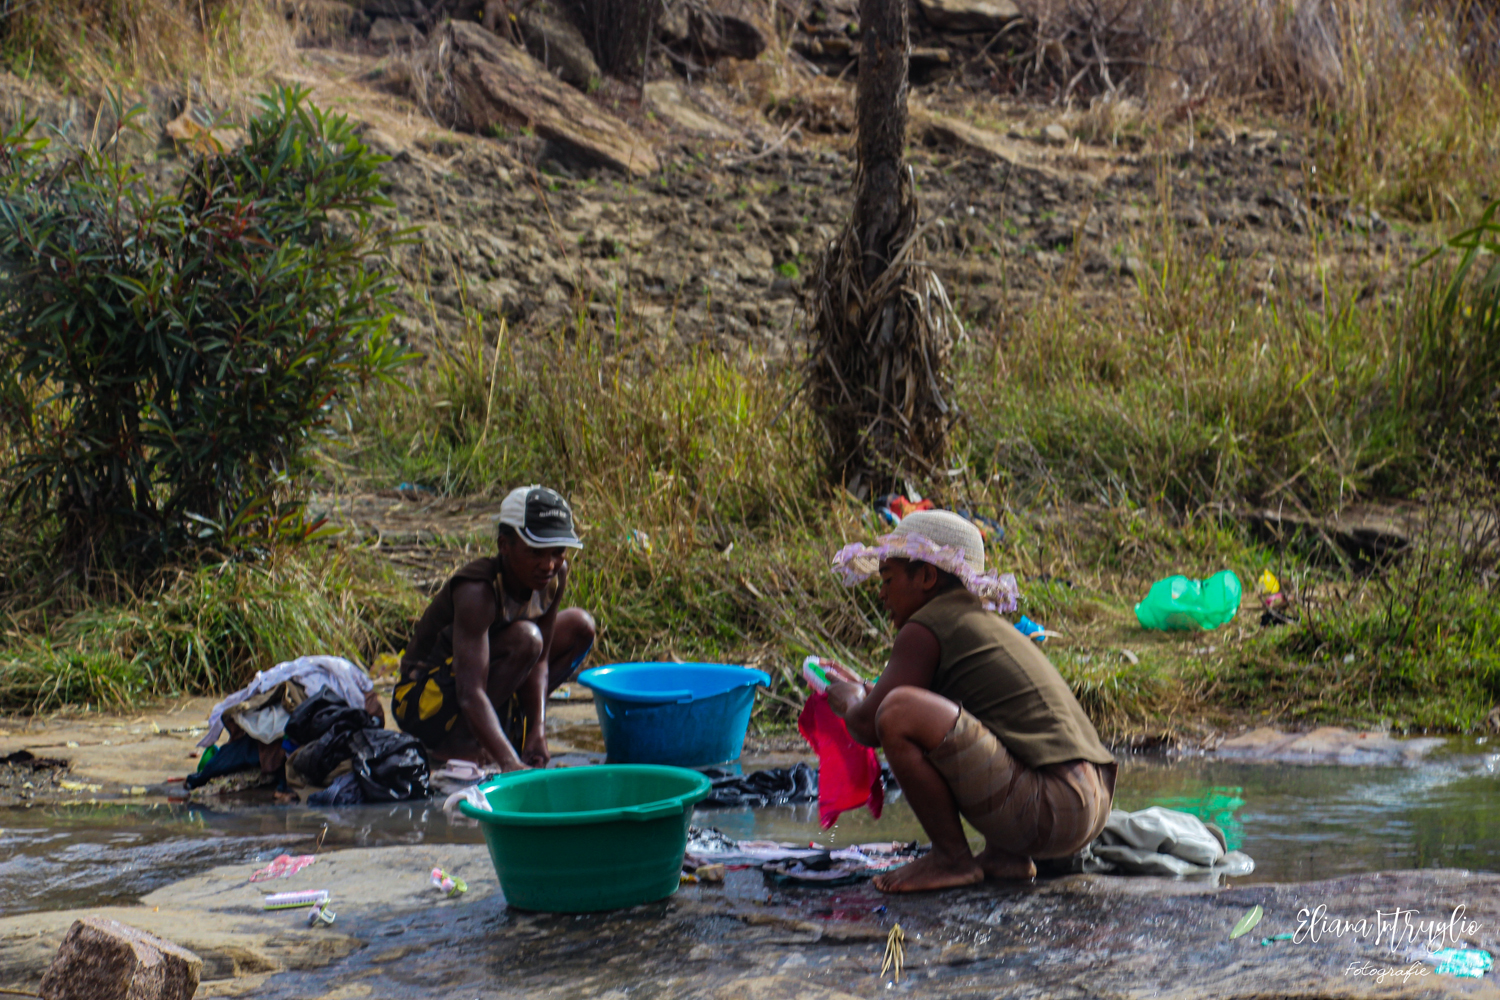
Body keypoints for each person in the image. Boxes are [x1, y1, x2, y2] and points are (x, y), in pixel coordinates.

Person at [826, 510, 1116, 892]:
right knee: (956, 713)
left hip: (1051, 807)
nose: (881, 593)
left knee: (898, 711)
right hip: (1091, 805)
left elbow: (870, 723)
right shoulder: (984, 623)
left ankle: (951, 859)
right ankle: (1005, 856)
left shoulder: (924, 626)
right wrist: (868, 693)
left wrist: (849, 698)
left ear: (927, 577)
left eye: (888, 579)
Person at [393, 485, 596, 771]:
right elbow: (470, 691)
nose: (548, 564)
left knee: (579, 626)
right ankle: (461, 743)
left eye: (558, 552)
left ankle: (506, 730)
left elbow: (540, 663)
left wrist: (537, 730)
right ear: (504, 546)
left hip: (485, 683)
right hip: (424, 703)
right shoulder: (477, 591)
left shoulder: (555, 576)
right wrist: (511, 764)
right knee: (527, 639)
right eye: (536, 551)